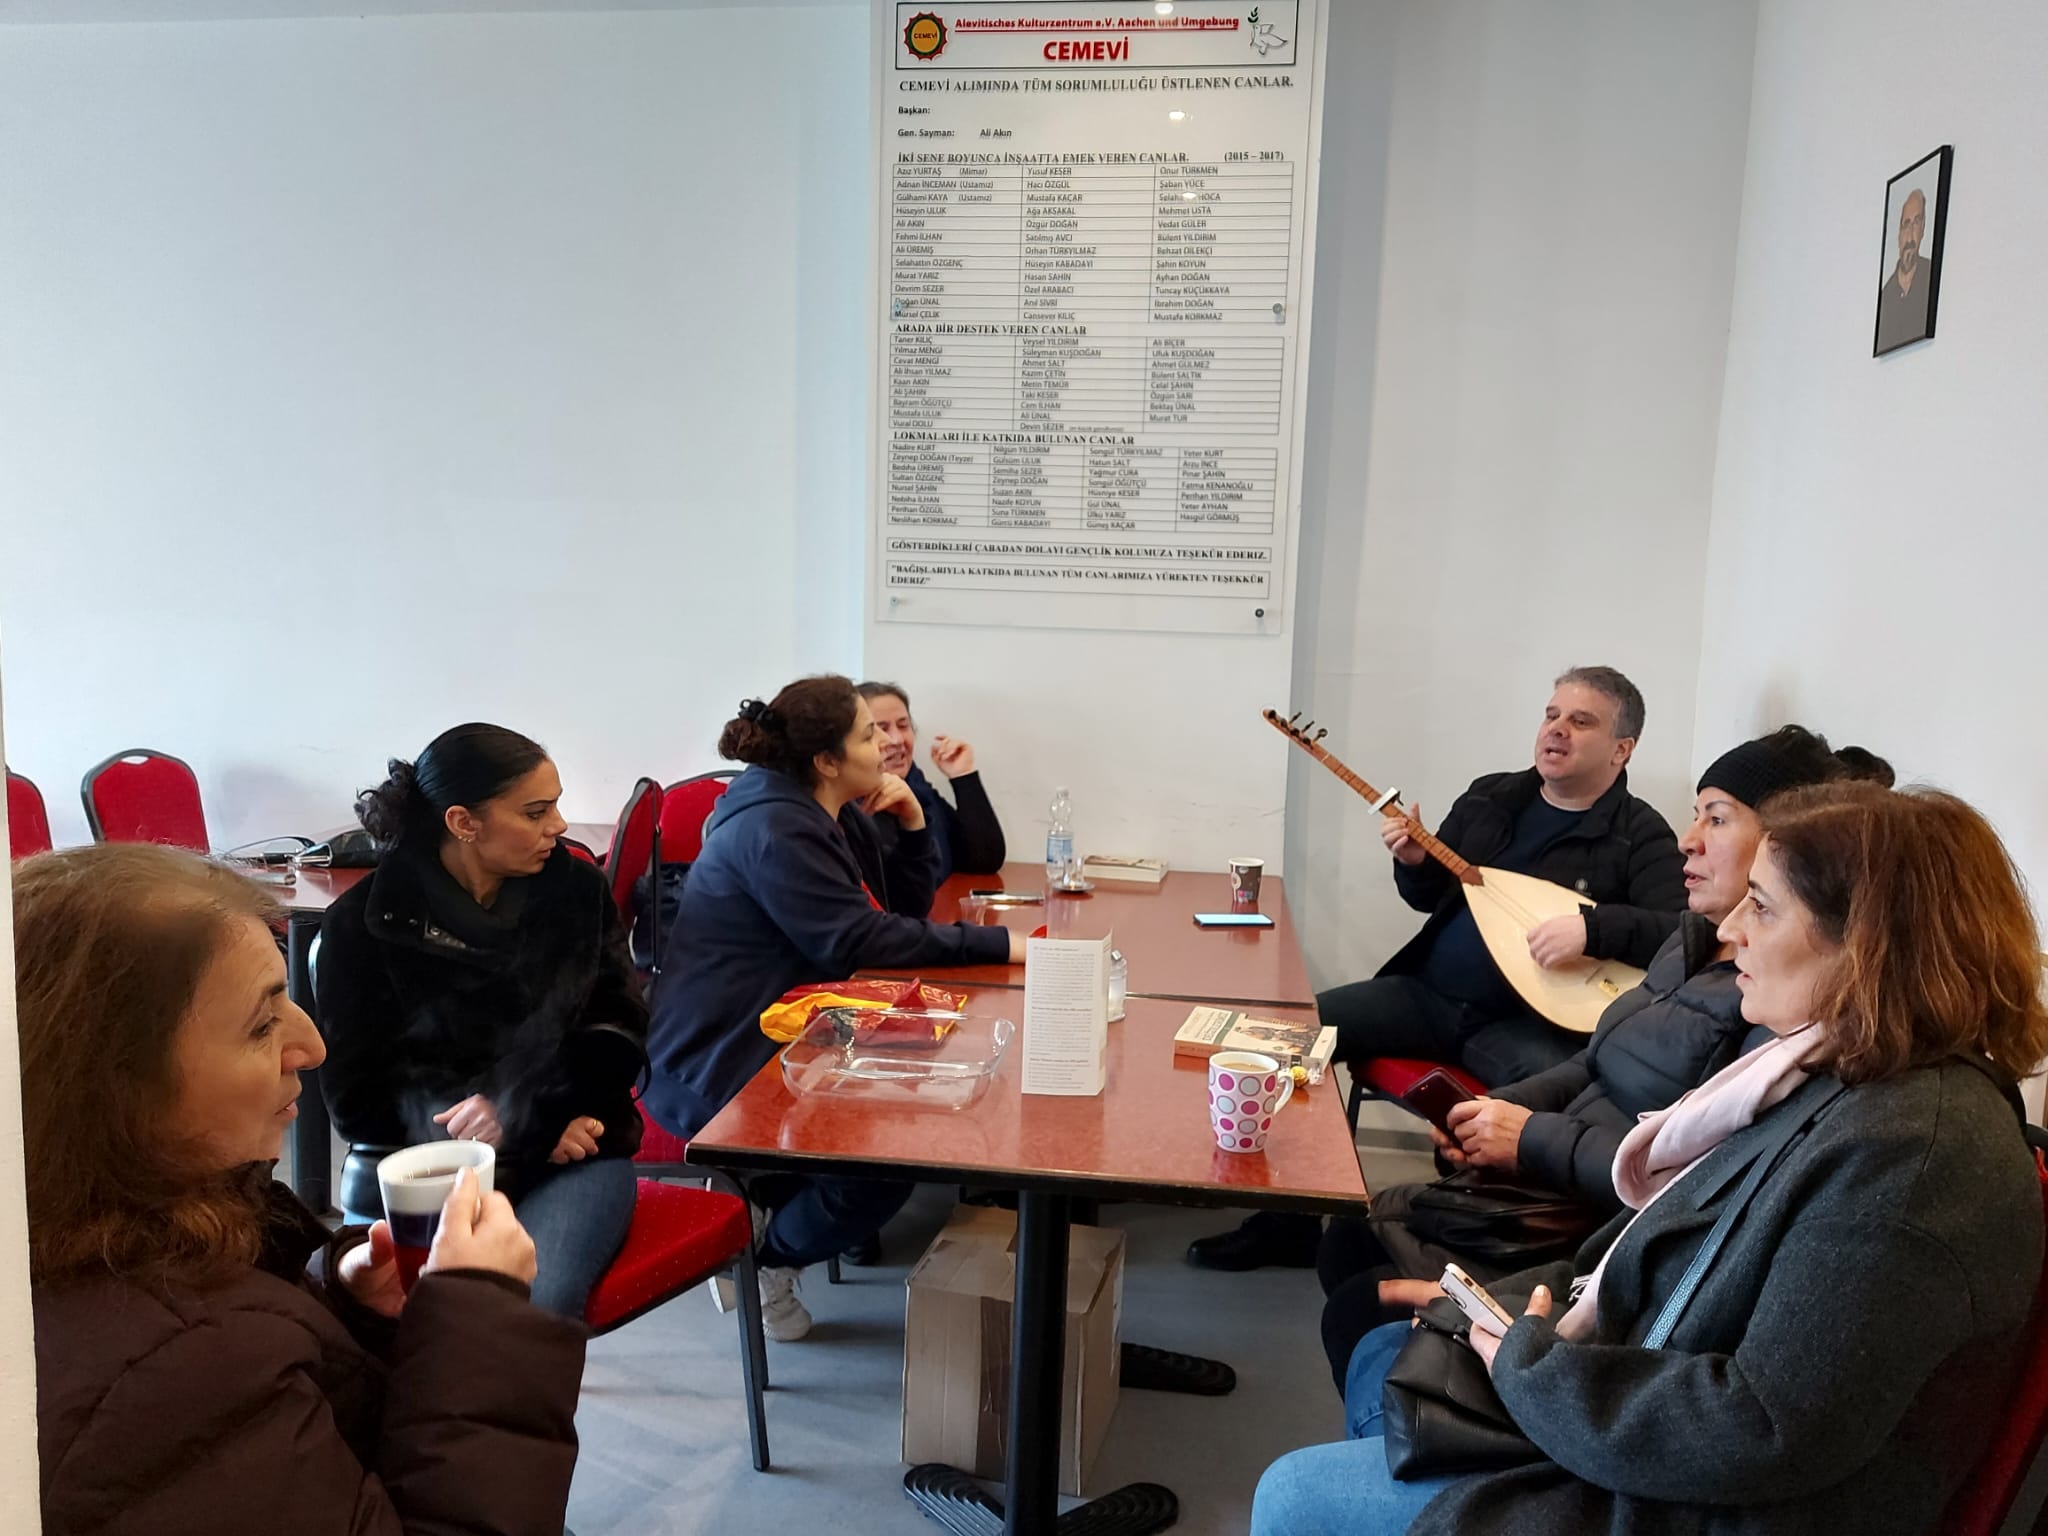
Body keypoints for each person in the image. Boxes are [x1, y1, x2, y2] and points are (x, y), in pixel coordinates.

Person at [1251, 782, 2047, 1536]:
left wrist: (1527, 1361)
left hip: (1704, 1510)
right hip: (1657, 1433)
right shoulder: (1832, 1078)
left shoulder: (1915, 1159)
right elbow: (1660, 1262)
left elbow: (1761, 1429)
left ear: (1868, 946)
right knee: (1386, 1350)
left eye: (1763, 908)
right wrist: (1497, 1307)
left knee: (1296, 1493)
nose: (1731, 931)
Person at [22, 844, 584, 1535]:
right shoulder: (176, 1377)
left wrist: (334, 1300)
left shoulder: (144, 1228)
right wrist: (482, 1331)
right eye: (262, 1025)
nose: (313, 1046)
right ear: (116, 1091)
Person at [1316, 727, 1893, 1390]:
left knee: (1360, 1303)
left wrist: (1528, 1138)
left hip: (1584, 1224)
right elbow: (1594, 1060)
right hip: (1542, 1160)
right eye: (1695, 813)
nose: (1688, 839)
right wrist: (1499, 1112)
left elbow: (1686, 1179)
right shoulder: (1689, 936)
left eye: (1716, 818)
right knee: (1350, 1235)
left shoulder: (1772, 999)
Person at [1190, 666, 1687, 1271]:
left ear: (1621, 748)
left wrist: (1594, 929)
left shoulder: (1640, 836)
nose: (1557, 730)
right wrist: (1414, 862)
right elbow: (1429, 897)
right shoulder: (1492, 798)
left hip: (1526, 1027)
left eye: (1581, 721)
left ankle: (1467, 1247)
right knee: (1292, 1038)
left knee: (1568, 1108)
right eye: (1551, 714)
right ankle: (1286, 1223)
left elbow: (1681, 932)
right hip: (1426, 996)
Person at [644, 675, 1021, 1340]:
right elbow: (857, 941)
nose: (886, 746)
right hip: (721, 1061)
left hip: (790, 1028)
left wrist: (912, 825)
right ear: (826, 760)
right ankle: (759, 1260)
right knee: (887, 1165)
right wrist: (998, 943)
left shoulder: (826, 810)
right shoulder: (775, 829)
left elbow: (892, 916)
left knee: (931, 1089)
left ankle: (763, 1201)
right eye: (869, 735)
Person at [317, 723, 648, 1319]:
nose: (559, 826)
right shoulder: (365, 924)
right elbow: (357, 1100)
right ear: (463, 822)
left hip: (574, 1156)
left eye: (556, 805)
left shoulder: (576, 891)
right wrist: (516, 1125)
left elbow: (620, 1030)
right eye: (535, 812)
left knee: (532, 1307)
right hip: (432, 1166)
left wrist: (523, 1109)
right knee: (411, 1314)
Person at [857, 680, 1007, 886]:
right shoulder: (855, 806)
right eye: (881, 729)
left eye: (903, 726)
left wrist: (963, 776)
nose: (897, 740)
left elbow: (983, 859)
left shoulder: (915, 784)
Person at [1875, 186, 1935, 353]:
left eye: (1916, 223)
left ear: (1923, 229)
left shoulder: (1931, 277)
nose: (1910, 235)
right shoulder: (1885, 296)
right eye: (1906, 224)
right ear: (1899, 234)